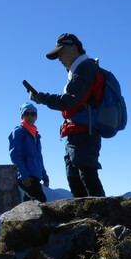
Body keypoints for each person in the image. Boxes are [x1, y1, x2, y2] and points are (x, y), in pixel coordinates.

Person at [30, 33, 105, 197]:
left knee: (86, 173)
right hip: (77, 131)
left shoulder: (85, 68)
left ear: (73, 48)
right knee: (75, 175)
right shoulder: (80, 69)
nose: (59, 58)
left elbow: (70, 101)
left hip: (84, 131)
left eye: (60, 53)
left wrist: (42, 98)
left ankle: (100, 215)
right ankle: (87, 215)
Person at [8, 102, 49, 203]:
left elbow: (39, 158)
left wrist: (44, 176)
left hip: (35, 176)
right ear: (22, 116)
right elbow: (15, 155)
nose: (30, 116)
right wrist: (23, 174)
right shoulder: (18, 132)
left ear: (36, 117)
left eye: (33, 114)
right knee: (41, 200)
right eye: (27, 113)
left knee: (29, 204)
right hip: (26, 177)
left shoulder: (36, 135)